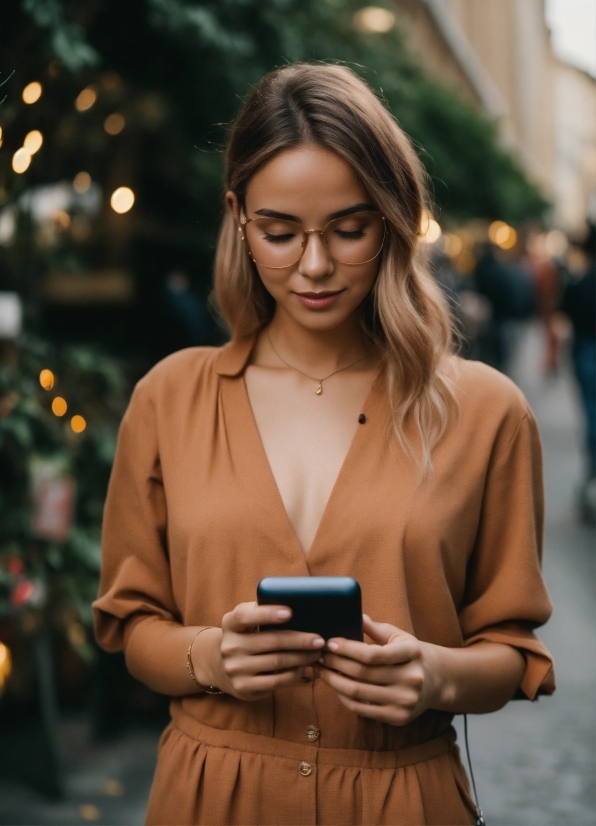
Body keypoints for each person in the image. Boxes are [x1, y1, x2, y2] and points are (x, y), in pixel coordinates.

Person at [93, 64, 555, 826]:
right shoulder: (169, 399)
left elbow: (513, 651)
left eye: (348, 229)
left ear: (393, 219)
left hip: (404, 799)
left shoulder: (485, 411)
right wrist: (208, 656)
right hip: (211, 799)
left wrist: (435, 675)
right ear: (238, 216)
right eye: (279, 233)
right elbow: (131, 622)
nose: (313, 266)